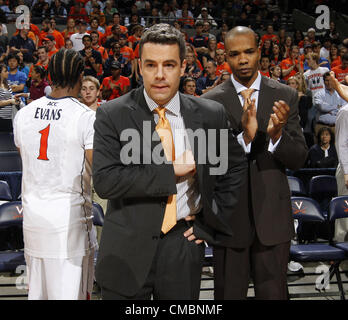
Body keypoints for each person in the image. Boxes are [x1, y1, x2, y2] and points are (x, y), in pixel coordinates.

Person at [92, 23, 247, 300]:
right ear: (139, 67)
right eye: (151, 65)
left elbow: (233, 168)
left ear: (184, 67)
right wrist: (172, 171)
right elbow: (106, 181)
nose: (160, 75)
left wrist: (209, 223)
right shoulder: (113, 114)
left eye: (169, 65)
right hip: (126, 248)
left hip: (183, 245)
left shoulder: (210, 114)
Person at [202, 26, 308, 300]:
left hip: (272, 220)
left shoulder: (285, 94)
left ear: (259, 51)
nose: (243, 59)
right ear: (226, 57)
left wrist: (277, 136)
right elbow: (208, 164)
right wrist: (244, 139)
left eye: (249, 51)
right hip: (227, 223)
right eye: (235, 54)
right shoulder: (209, 102)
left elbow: (298, 158)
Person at [13, 49, 97, 300]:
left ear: (49, 75)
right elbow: (101, 171)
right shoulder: (86, 117)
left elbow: (26, 160)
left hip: (33, 222)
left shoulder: (25, 113)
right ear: (80, 77)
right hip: (70, 226)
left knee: (38, 294)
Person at [0, 63, 21, 132]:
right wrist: (10, 101)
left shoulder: (7, 84)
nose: (8, 72)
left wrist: (15, 99)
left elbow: (10, 97)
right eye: (5, 71)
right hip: (1, 118)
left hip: (10, 117)